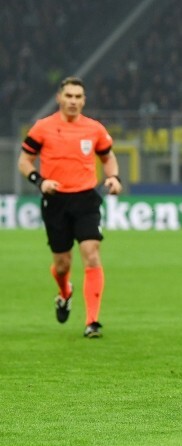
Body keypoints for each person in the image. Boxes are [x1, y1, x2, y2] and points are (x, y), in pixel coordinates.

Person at [17, 76, 122, 338]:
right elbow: (24, 161)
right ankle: (64, 293)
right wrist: (39, 182)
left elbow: (108, 158)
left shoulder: (94, 129)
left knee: (92, 252)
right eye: (69, 96)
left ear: (84, 100)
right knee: (62, 264)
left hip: (86, 198)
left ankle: (92, 321)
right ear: (59, 98)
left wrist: (113, 177)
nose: (73, 101)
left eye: (78, 97)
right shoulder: (42, 128)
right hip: (55, 201)